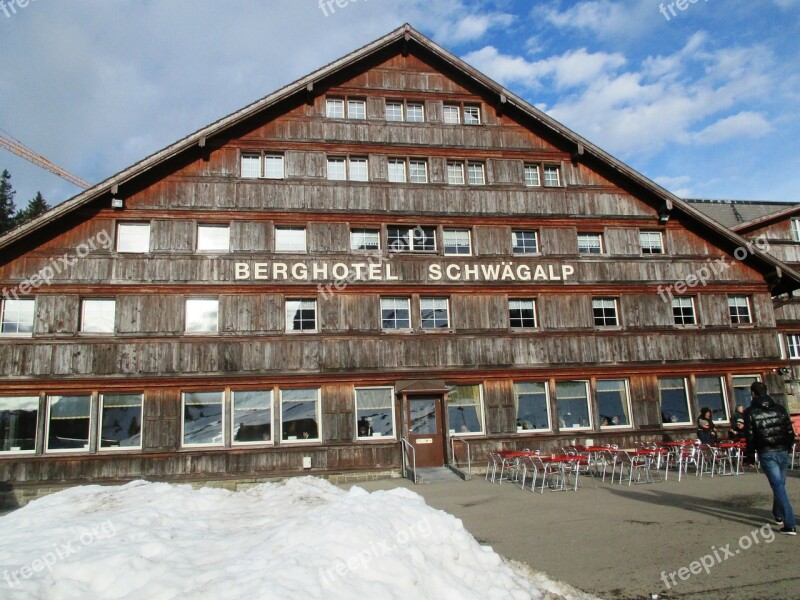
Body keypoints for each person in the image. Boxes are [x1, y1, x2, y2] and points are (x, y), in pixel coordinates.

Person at [743, 381, 796, 535]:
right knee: (780, 484)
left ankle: (790, 523)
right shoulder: (780, 409)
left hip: (766, 451)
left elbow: (750, 437)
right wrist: (788, 446)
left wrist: (750, 458)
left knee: (778, 486)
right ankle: (778, 513)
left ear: (753, 393)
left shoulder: (750, 412)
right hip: (782, 449)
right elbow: (789, 430)